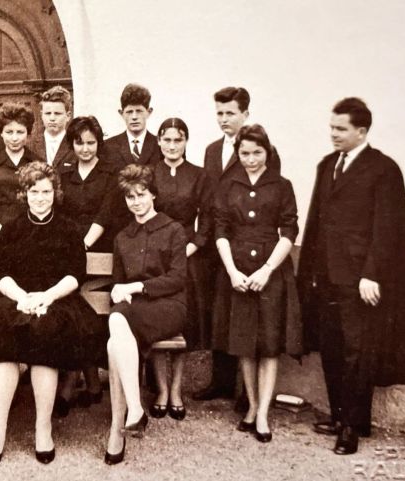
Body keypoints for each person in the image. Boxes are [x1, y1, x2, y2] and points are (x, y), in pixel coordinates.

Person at [297, 97, 405, 455]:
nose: (333, 135)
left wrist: (371, 274)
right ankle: (340, 416)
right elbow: (317, 222)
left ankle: (353, 426)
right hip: (327, 277)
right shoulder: (327, 166)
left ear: (361, 131)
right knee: (333, 349)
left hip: (360, 281)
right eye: (332, 128)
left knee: (358, 352)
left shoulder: (383, 169)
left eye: (341, 129)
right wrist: (311, 273)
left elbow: (386, 228)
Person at [0, 161, 106, 467]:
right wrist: (21, 298)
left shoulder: (69, 229)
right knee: (5, 344)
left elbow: (75, 274)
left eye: (45, 191)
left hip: (57, 299)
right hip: (15, 298)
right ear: (24, 194)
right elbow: (0, 274)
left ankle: (43, 428)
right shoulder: (12, 229)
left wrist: (47, 296)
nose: (40, 197)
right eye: (33, 191)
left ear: (55, 193)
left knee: (46, 337)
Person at [211, 124, 302, 443]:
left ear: (268, 152)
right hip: (236, 267)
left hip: (270, 270)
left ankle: (263, 412)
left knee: (269, 344)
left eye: (257, 153)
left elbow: (290, 231)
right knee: (244, 343)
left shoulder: (281, 185)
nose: (250, 159)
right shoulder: (228, 186)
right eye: (245, 153)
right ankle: (250, 405)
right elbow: (219, 230)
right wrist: (233, 271)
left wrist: (266, 270)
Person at [196, 86, 281, 405]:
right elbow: (208, 200)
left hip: (250, 249)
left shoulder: (261, 151)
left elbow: (268, 201)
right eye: (219, 113)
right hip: (218, 245)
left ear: (245, 113)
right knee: (222, 313)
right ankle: (220, 381)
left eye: (230, 113)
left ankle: (249, 394)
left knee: (251, 319)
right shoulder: (210, 150)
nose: (223, 119)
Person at [103, 164, 187, 466]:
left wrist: (138, 286)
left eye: (141, 195)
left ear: (153, 195)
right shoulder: (123, 237)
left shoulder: (174, 229)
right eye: (130, 197)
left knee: (116, 326)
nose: (136, 202)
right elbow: (117, 281)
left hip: (168, 306)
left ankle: (126, 420)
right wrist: (117, 290)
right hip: (134, 310)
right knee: (115, 337)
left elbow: (178, 278)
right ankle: (128, 417)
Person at [53, 115, 123, 416]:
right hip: (69, 248)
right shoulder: (63, 173)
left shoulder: (110, 174)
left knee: (90, 308)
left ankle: (77, 381)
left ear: (99, 143)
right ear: (72, 144)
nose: (85, 148)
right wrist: (70, 247)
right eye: (79, 143)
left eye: (90, 143)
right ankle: (87, 379)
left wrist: (82, 246)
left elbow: (105, 216)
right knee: (71, 304)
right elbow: (59, 212)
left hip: (100, 251)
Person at [148, 117, 215, 421]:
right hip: (156, 256)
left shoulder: (199, 175)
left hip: (187, 255)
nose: (172, 146)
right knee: (159, 323)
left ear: (186, 142)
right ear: (159, 141)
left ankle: (176, 390)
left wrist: (193, 245)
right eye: (167, 139)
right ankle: (161, 390)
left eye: (178, 140)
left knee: (181, 325)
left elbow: (208, 217)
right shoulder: (151, 173)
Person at [0, 102, 41, 248]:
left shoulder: (38, 163)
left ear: (28, 132)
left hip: (31, 238)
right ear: (1, 133)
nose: (15, 138)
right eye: (9, 132)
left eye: (20, 132)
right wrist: (6, 236)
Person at [102, 83, 160, 166]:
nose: (134, 117)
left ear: (149, 112)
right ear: (121, 114)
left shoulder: (160, 145)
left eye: (139, 111)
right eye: (129, 112)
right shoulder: (108, 147)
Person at [27, 86, 75, 167]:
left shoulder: (75, 144)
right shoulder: (30, 144)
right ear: (42, 114)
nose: (52, 118)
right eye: (48, 113)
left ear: (68, 116)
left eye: (57, 113)